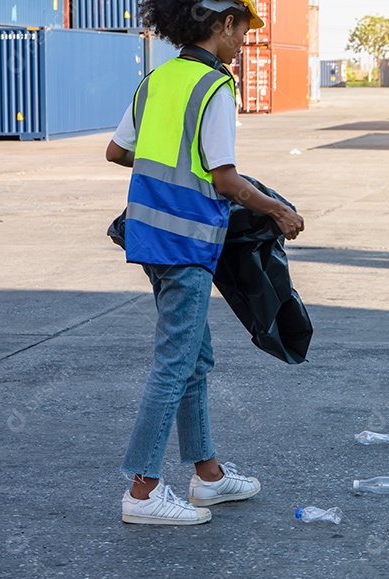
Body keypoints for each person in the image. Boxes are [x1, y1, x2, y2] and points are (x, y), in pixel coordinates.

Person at [106, 0, 305, 525]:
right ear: (222, 24)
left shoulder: (157, 79)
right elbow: (226, 180)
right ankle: (143, 492)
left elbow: (117, 151)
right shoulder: (215, 87)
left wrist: (164, 154)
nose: (243, 42)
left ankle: (208, 476)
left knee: (194, 360)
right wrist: (279, 210)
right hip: (188, 241)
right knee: (175, 364)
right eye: (241, 29)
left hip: (149, 236)